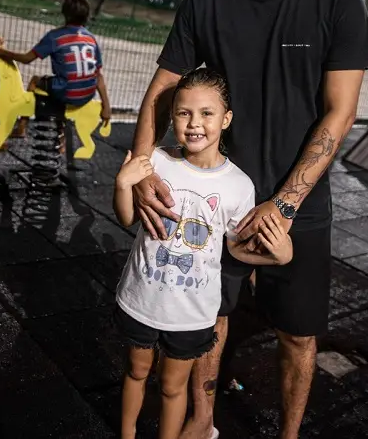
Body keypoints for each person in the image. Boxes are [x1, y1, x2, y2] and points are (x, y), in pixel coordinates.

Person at [130, 0, 368, 439]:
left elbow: (340, 113)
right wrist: (140, 170)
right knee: (208, 320)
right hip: (218, 197)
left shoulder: (338, 0)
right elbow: (163, 90)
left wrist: (284, 204)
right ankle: (203, 421)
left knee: (298, 332)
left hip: (299, 205)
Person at [113, 68, 294, 439]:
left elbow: (234, 248)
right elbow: (127, 217)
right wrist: (122, 183)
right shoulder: (157, 163)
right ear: (173, 115)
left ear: (225, 119)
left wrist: (280, 257)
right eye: (183, 113)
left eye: (206, 113)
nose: (194, 123)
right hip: (141, 299)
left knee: (172, 387)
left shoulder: (239, 185)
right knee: (135, 372)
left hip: (191, 314)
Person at [0, 0, 112, 146]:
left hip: (67, 93)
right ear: (87, 16)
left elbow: (27, 59)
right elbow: (99, 75)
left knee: (36, 81)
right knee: (64, 83)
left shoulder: (55, 37)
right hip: (87, 94)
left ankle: (22, 127)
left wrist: (1, 52)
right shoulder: (91, 38)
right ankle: (61, 136)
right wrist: (106, 106)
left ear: (64, 13)